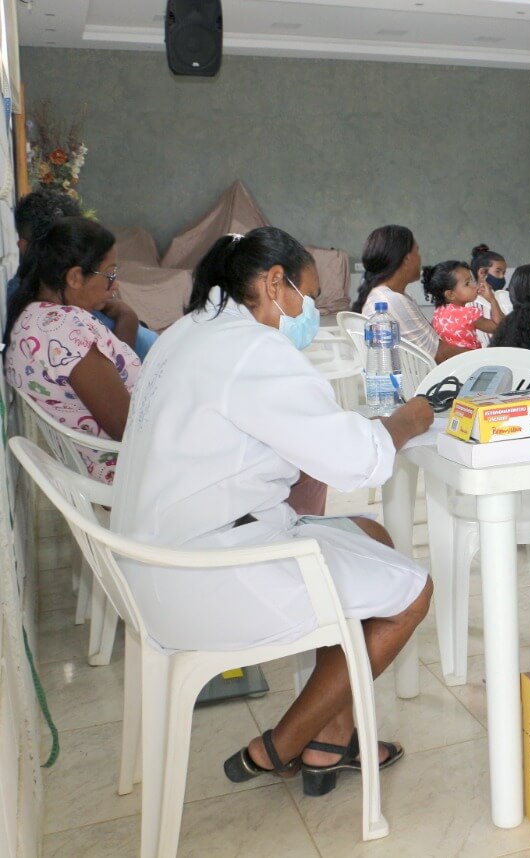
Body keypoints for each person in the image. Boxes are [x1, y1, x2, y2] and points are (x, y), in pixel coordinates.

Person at [110, 227, 435, 795]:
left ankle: (330, 737)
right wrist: (410, 419)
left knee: (372, 534)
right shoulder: (252, 350)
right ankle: (282, 743)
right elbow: (359, 461)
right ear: (274, 283)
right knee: (412, 593)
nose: (311, 312)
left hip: (153, 558)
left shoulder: (190, 331)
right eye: (308, 297)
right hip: (205, 575)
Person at [4, 217, 138, 482]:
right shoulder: (63, 330)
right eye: (109, 274)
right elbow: (129, 429)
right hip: (133, 474)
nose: (115, 285)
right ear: (75, 277)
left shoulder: (36, 317)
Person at [9, 190, 158, 360]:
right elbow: (112, 370)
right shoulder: (44, 312)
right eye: (60, 248)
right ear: (25, 248)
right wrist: (127, 316)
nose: (76, 256)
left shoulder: (63, 291)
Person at [352, 225, 465, 363]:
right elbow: (440, 355)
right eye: (417, 251)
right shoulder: (391, 301)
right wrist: (484, 351)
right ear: (406, 259)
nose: (419, 258)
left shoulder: (384, 295)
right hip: (422, 381)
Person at [426, 260, 504, 351]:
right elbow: (498, 327)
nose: (474, 285)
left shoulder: (438, 312)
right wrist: (492, 300)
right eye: (467, 283)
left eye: (472, 280)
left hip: (449, 363)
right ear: (450, 294)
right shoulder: (468, 314)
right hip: (470, 362)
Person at [469, 244, 510, 344]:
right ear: (482, 273)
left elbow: (509, 328)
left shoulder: (504, 297)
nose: (502, 277)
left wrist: (493, 300)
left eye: (503, 273)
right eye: (498, 272)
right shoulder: (469, 301)